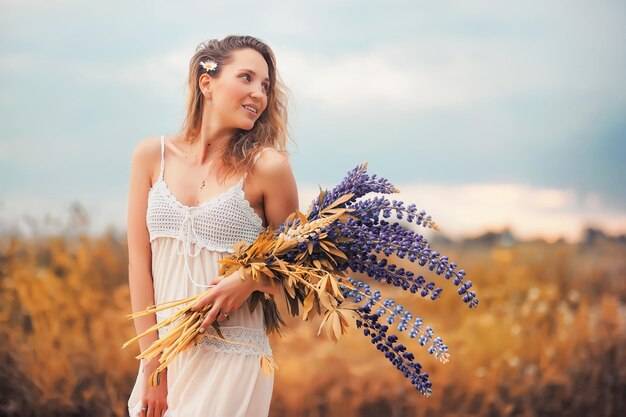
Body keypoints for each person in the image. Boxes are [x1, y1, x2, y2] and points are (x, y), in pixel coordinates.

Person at [126, 35, 299, 417]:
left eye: (266, 86)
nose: (259, 93)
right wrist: (153, 368)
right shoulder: (151, 157)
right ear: (207, 83)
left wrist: (250, 279)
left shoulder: (268, 168)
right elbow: (140, 266)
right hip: (165, 358)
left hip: (234, 358)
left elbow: (302, 268)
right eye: (247, 78)